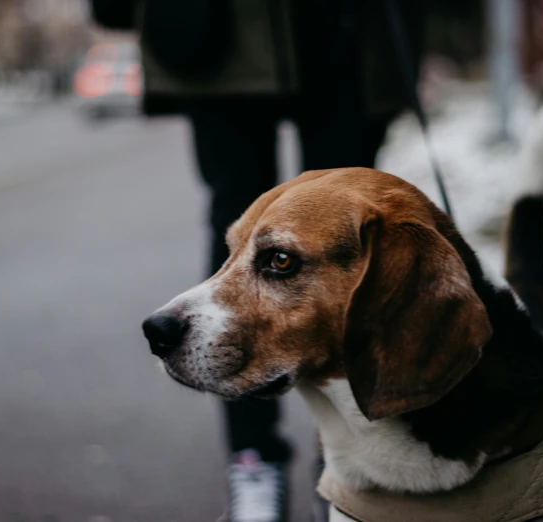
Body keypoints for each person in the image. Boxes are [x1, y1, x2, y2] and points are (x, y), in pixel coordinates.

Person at [89, 2, 427, 521]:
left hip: (345, 23)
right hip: (222, 30)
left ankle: (345, 465)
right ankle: (254, 460)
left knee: (349, 238)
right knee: (241, 222)